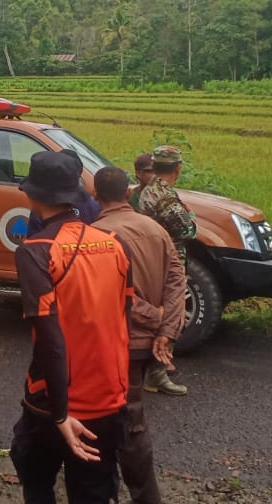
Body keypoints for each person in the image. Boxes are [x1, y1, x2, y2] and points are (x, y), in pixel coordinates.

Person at [10, 151, 132, 504]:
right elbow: (120, 316)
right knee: (94, 490)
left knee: (36, 482)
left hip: (55, 402)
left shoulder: (36, 250)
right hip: (109, 398)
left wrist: (61, 413)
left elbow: (50, 338)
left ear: (33, 197)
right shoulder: (115, 244)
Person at [92, 166, 184, 504]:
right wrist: (167, 329)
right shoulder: (156, 229)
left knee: (124, 421)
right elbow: (178, 279)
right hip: (149, 344)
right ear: (128, 193)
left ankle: (133, 494)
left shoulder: (95, 236)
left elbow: (113, 294)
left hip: (120, 342)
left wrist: (156, 318)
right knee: (130, 416)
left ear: (94, 196)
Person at [133, 145, 194, 395]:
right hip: (170, 262)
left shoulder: (148, 191)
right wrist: (190, 217)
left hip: (153, 258)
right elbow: (188, 230)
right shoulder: (165, 196)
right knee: (170, 313)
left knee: (157, 313)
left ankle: (153, 369)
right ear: (177, 169)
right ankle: (157, 373)